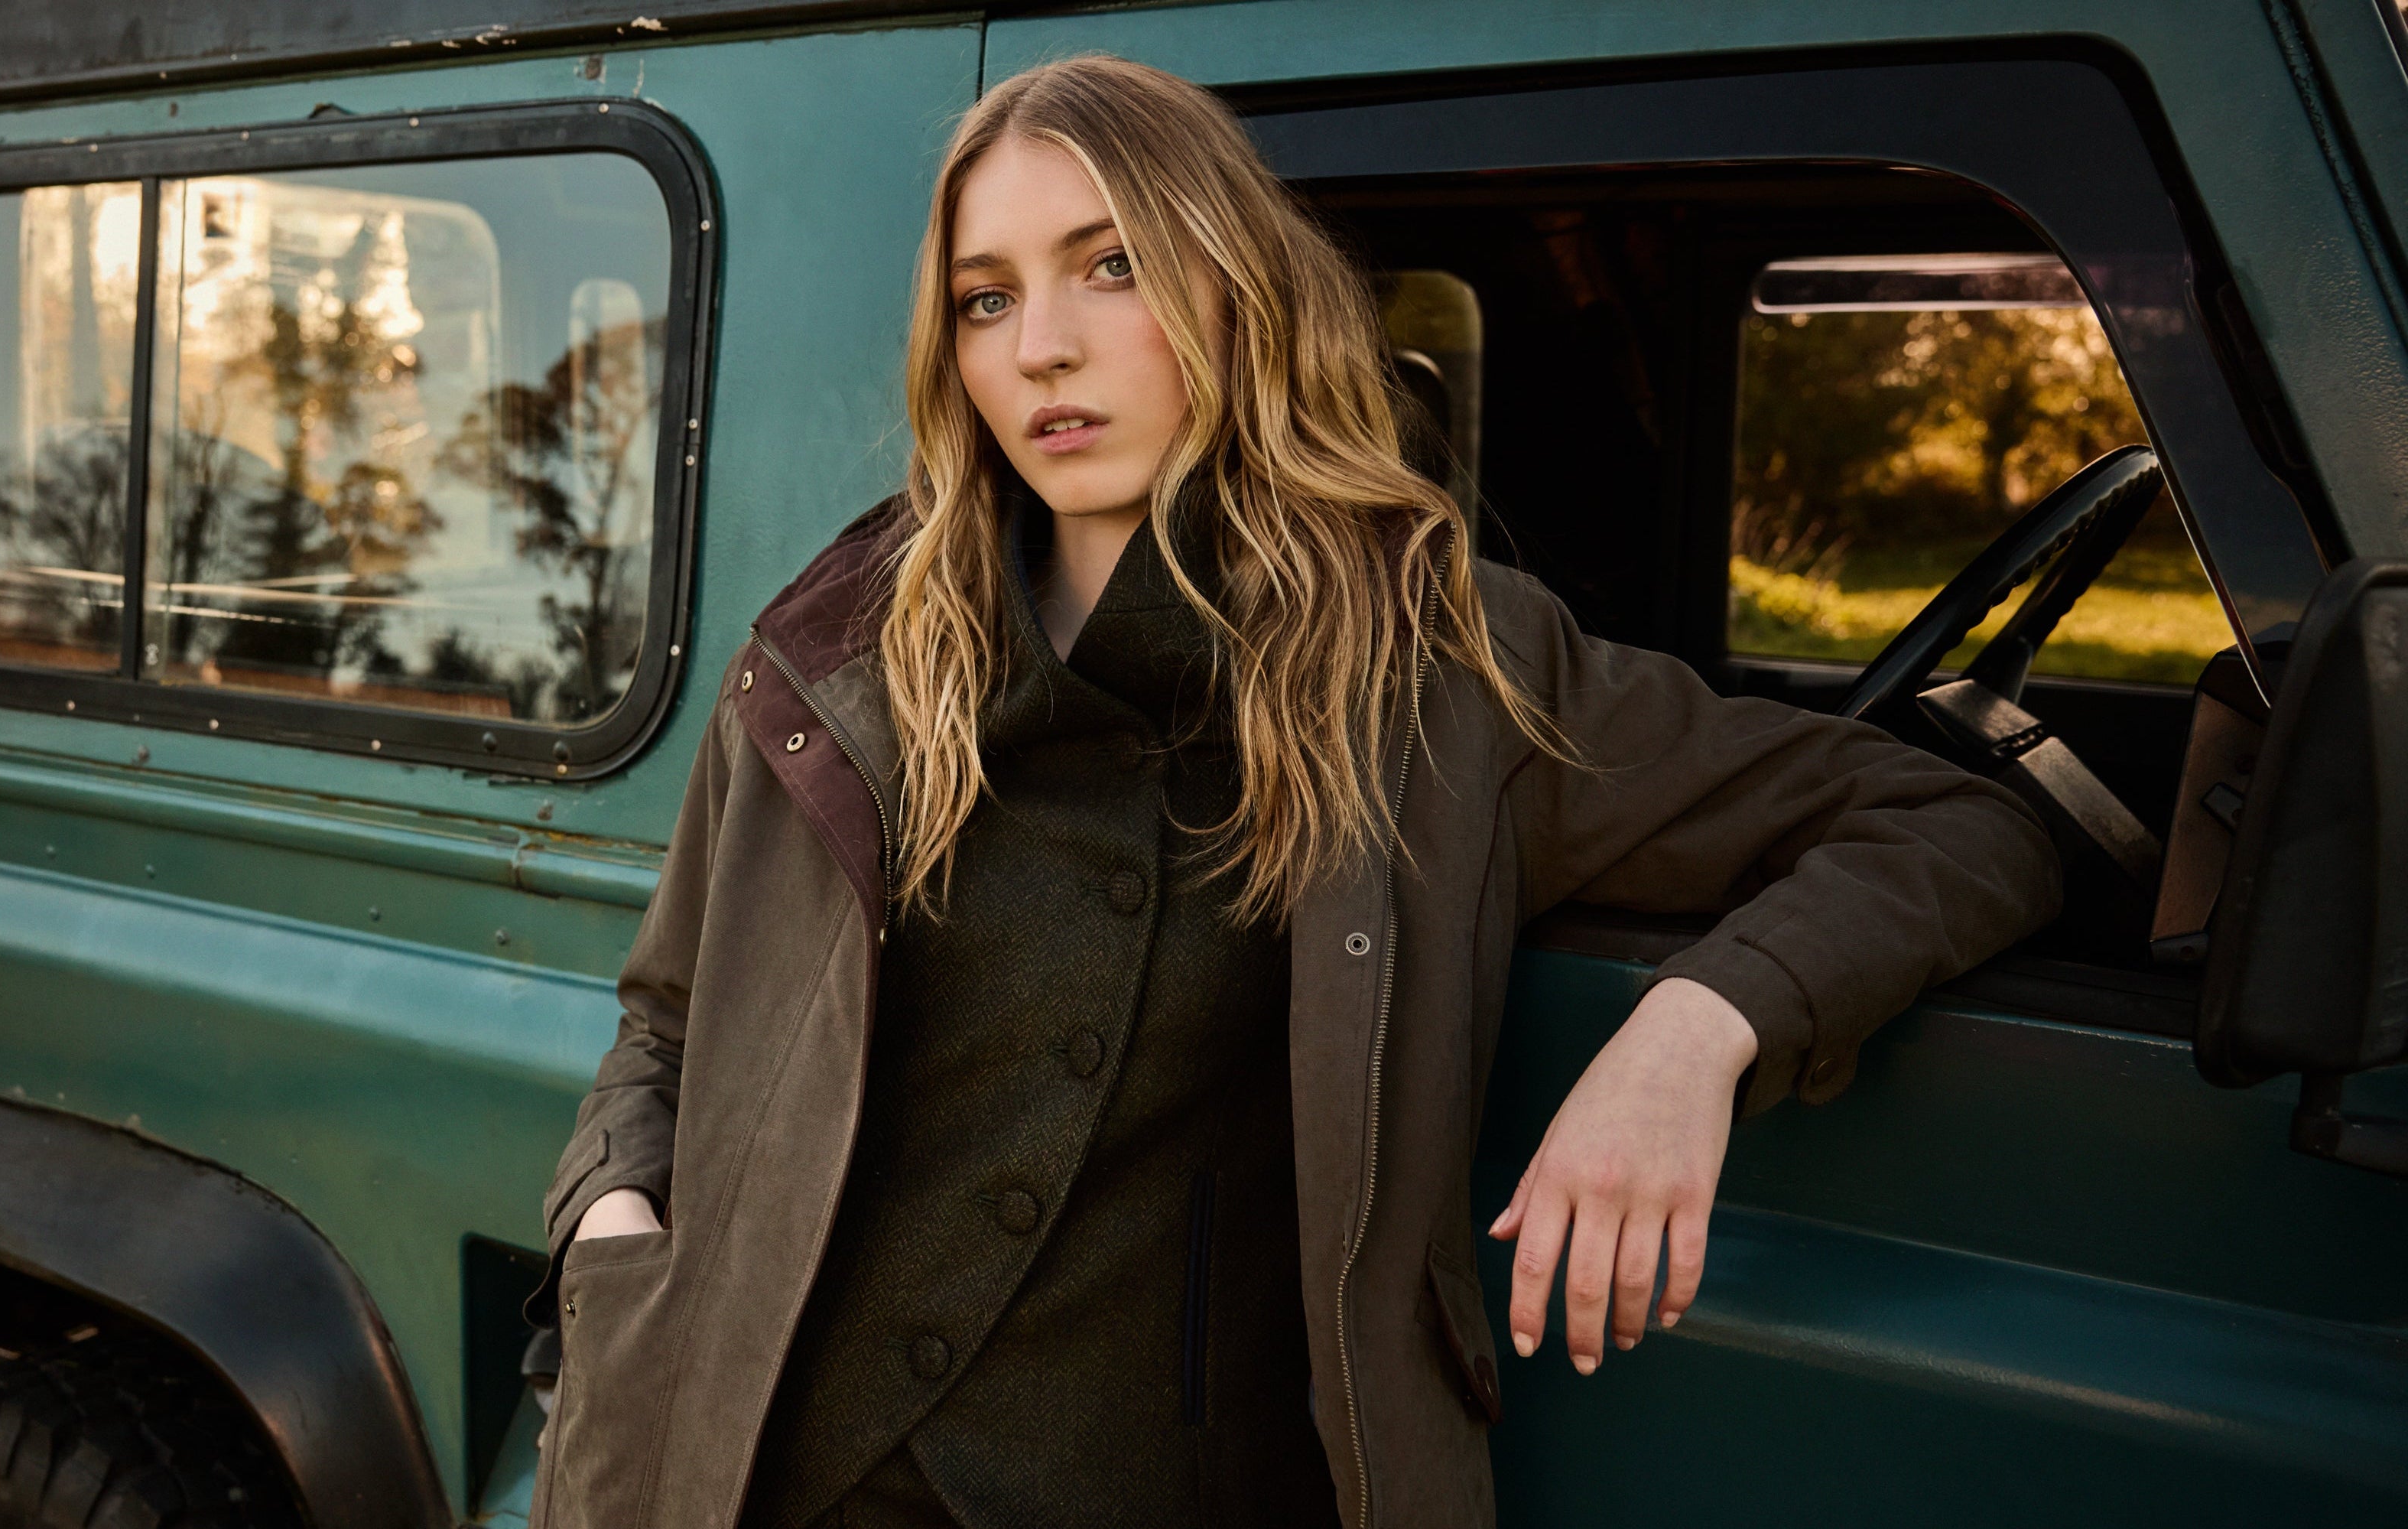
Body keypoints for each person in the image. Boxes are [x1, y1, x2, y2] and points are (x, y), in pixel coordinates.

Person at [529, 54, 2059, 1529]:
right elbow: (665, 1016)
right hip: (757, 1474)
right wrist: (612, 1225)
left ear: (1228, 288)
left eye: (1107, 266)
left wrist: (1693, 1029)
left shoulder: (1442, 668)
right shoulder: (837, 654)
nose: (1037, 347)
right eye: (985, 299)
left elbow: (1952, 821)